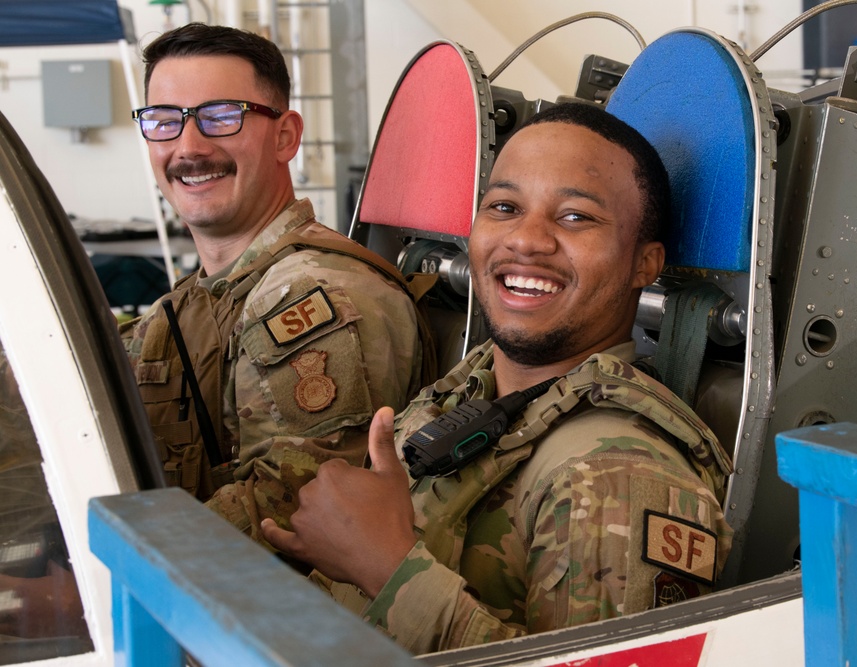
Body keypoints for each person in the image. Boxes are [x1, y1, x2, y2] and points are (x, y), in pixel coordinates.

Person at [263, 103, 734, 653]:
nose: (527, 239)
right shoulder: (469, 390)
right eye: (504, 207)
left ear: (644, 264)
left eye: (575, 217)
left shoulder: (616, 473)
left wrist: (389, 568)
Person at [119, 23, 427, 540]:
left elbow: (289, 509)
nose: (188, 146)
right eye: (164, 121)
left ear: (285, 136)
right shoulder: (204, 297)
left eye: (221, 117)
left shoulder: (317, 294)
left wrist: (99, 561)